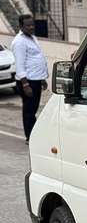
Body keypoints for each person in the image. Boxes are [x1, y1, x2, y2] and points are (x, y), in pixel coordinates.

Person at [11, 14, 48, 142]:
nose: (31, 27)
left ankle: (33, 135)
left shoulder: (32, 38)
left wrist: (42, 79)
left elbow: (36, 59)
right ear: (21, 26)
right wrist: (25, 85)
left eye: (32, 24)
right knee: (29, 111)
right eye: (28, 25)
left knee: (33, 109)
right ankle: (30, 137)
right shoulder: (19, 42)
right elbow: (20, 65)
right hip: (28, 82)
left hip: (36, 80)